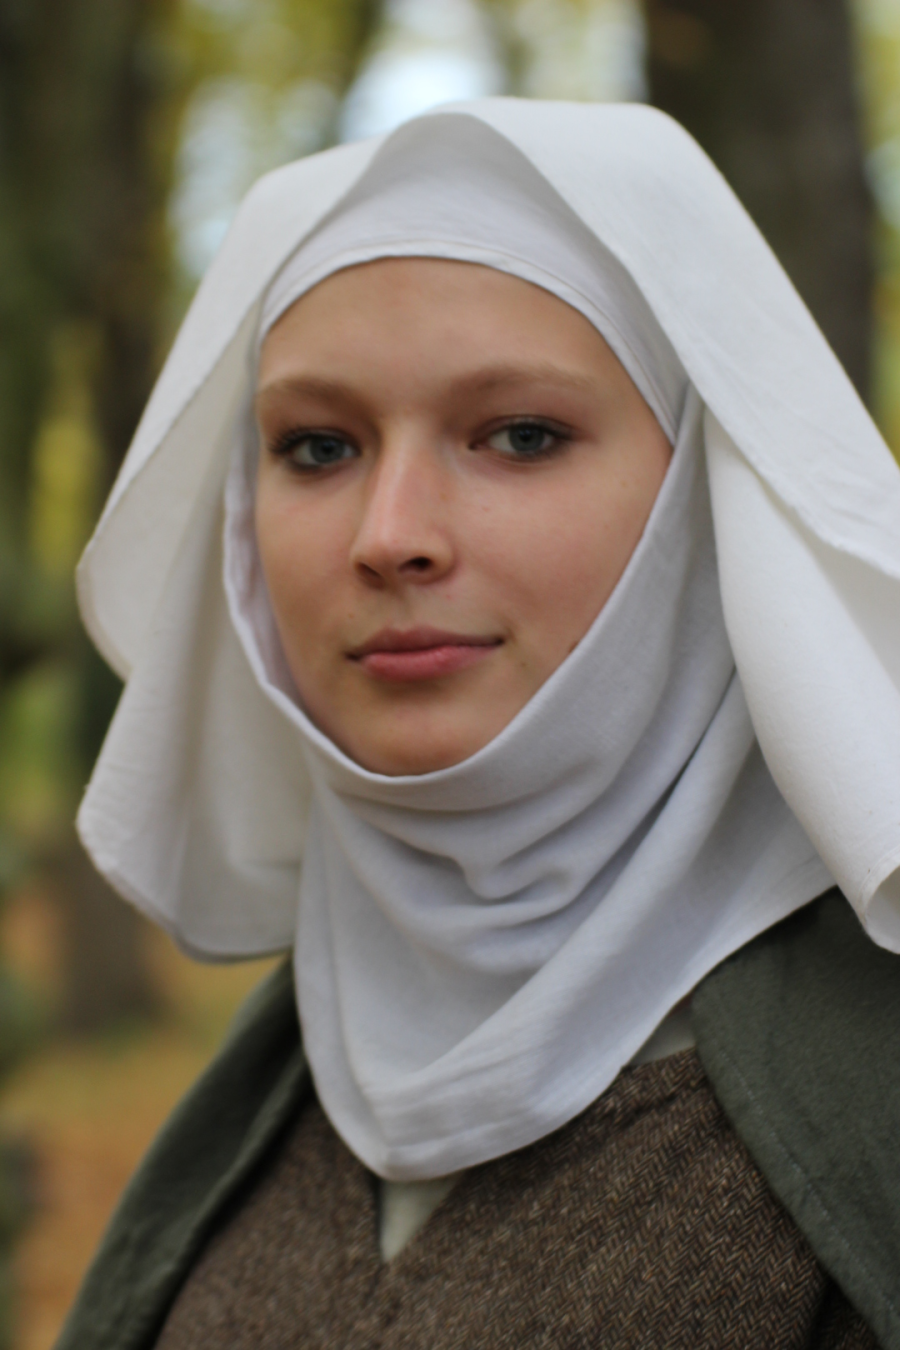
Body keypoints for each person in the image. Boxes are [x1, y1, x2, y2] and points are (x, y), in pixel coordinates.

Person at [58, 99, 900, 1349]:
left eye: (520, 435)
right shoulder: (277, 1081)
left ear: (703, 498)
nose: (390, 533)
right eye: (318, 447)